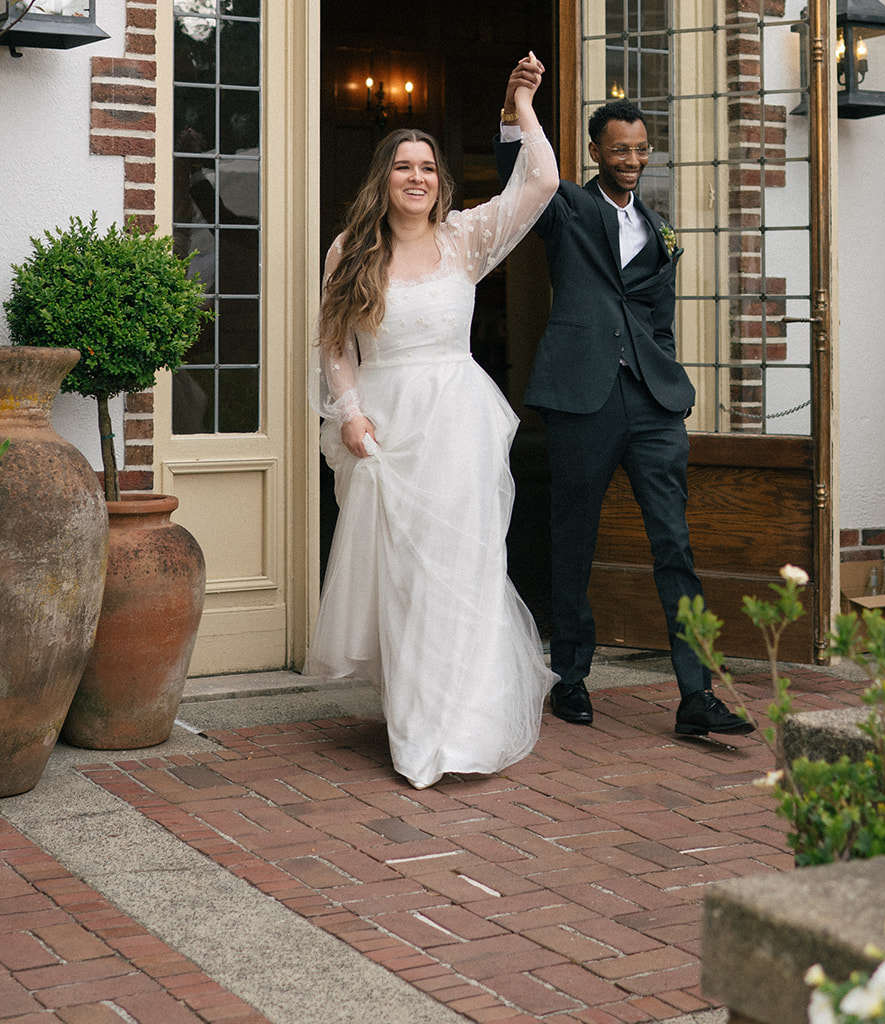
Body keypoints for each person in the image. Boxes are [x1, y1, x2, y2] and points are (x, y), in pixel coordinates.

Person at [306, 53, 559, 789]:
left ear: (441, 183)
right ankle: (416, 723)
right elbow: (334, 347)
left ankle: (466, 724)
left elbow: (540, 181)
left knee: (465, 568)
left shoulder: (466, 241)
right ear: (382, 180)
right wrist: (349, 414)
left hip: (458, 426)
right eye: (402, 167)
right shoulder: (350, 252)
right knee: (408, 579)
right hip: (388, 430)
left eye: (427, 168)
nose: (416, 177)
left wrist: (520, 106)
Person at [495, 87, 754, 739]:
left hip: (652, 402)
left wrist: (661, 370)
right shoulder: (569, 208)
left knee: (674, 539)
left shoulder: (658, 229)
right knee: (573, 535)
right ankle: (572, 677)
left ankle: (696, 693)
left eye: (641, 149)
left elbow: (659, 322)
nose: (633, 159)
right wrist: (512, 116)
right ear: (596, 152)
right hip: (581, 395)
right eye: (620, 150)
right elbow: (518, 186)